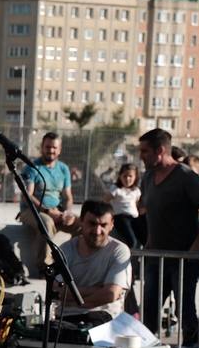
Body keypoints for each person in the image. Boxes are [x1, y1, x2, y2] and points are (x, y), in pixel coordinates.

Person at [139, 128, 199, 342]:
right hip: (155, 258)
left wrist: (197, 247)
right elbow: (149, 212)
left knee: (184, 311)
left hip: (183, 259)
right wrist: (148, 243)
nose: (141, 156)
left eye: (145, 151)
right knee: (148, 310)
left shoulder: (185, 176)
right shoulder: (148, 177)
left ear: (160, 150)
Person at [57, 200, 132, 320]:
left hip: (105, 320)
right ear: (81, 221)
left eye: (103, 225)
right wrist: (97, 290)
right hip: (66, 319)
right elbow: (57, 291)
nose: (97, 231)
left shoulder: (119, 251)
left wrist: (76, 299)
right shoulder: (65, 249)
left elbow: (110, 294)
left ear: (112, 225)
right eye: (92, 224)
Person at [19, 132, 76, 274]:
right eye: (48, 147)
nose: (51, 150)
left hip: (57, 211)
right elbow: (27, 195)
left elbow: (68, 196)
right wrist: (48, 211)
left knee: (81, 225)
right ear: (42, 147)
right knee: (47, 223)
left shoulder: (63, 169)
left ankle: (74, 264)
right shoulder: (32, 167)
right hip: (32, 211)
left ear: (59, 149)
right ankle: (45, 268)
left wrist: (67, 213)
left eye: (54, 147)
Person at [109, 163, 144, 249]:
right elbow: (105, 201)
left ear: (135, 177)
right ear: (120, 176)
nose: (127, 179)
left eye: (130, 176)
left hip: (134, 218)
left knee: (143, 238)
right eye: (125, 176)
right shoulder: (116, 188)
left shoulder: (136, 190)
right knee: (132, 241)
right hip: (121, 218)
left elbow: (137, 204)